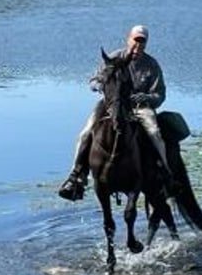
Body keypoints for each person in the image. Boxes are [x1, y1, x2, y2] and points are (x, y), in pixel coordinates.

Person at [58, 24, 175, 201]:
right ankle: (76, 176)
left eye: (142, 43)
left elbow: (160, 94)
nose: (138, 46)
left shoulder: (151, 65)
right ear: (128, 39)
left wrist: (148, 97)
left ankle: (166, 174)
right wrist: (100, 86)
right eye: (136, 41)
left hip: (140, 107)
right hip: (111, 104)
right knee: (85, 133)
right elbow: (94, 80)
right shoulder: (113, 58)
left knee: (155, 133)